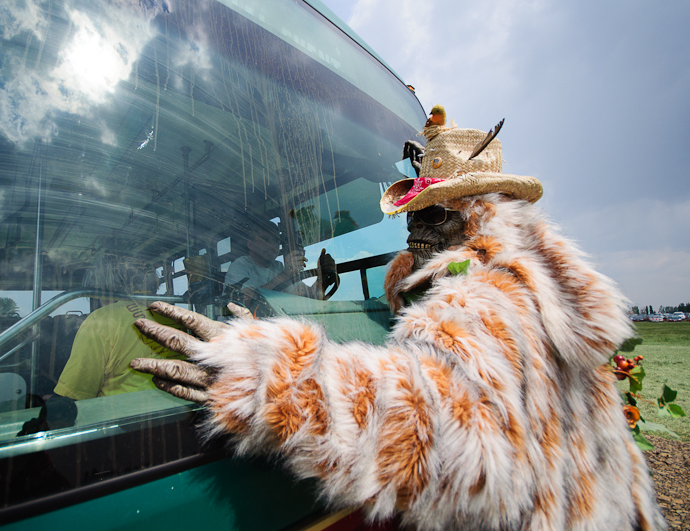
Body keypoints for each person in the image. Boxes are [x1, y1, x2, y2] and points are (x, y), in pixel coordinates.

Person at [130, 124, 665, 530]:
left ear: (477, 217)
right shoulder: (529, 288)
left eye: (432, 215)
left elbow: (445, 435)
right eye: (410, 215)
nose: (413, 231)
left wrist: (273, 379)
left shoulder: (493, 292)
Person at [53, 256, 183, 401]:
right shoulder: (173, 318)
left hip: (125, 412)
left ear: (101, 287)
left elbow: (74, 393)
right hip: (178, 407)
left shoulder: (101, 321)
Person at [224, 220, 337, 304]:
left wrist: (322, 276)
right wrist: (285, 274)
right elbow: (244, 302)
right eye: (265, 239)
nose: (272, 245)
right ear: (250, 244)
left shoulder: (278, 267)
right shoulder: (240, 265)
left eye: (276, 241)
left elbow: (305, 296)